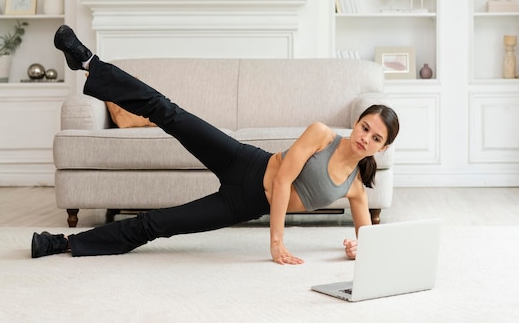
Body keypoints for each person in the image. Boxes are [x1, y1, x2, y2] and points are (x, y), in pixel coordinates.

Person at [32, 25, 400, 264]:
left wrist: (358, 251)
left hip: (243, 203)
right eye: (365, 126)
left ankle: (62, 242)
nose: (364, 137)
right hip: (246, 161)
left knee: (156, 224)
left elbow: (368, 242)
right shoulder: (322, 134)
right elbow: (284, 181)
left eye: (375, 137)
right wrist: (276, 243)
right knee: (169, 113)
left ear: (381, 148)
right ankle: (89, 63)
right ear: (356, 122)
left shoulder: (354, 190)